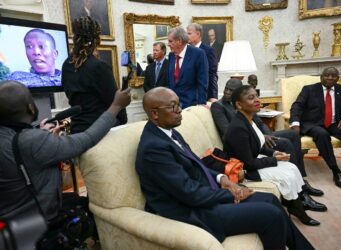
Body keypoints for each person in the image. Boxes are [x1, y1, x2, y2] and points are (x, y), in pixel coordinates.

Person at [136, 87, 314, 249]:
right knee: (270, 215)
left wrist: (223, 179)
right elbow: (188, 192)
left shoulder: (169, 131)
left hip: (204, 195)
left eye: (179, 104)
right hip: (190, 210)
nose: (179, 110)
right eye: (172, 107)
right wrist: (232, 193)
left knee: (270, 200)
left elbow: (197, 166)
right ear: (155, 114)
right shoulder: (154, 148)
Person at [0, 80, 131, 221]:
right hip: (37, 221)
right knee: (90, 210)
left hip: (9, 219)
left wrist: (38, 132)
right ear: (31, 108)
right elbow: (87, 138)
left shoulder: (18, 137)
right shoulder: (33, 141)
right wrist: (116, 105)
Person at [211, 79, 326, 212]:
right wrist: (260, 138)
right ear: (239, 103)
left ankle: (302, 182)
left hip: (260, 136)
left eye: (231, 90)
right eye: (226, 88)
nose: (227, 92)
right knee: (286, 143)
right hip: (245, 141)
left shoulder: (249, 104)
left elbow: (259, 123)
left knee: (293, 135)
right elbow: (227, 131)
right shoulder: (219, 106)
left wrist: (267, 135)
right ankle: (302, 195)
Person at [62, 16, 128, 134]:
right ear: (97, 40)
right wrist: (123, 120)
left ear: (75, 37)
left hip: (77, 131)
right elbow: (114, 101)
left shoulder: (66, 65)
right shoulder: (99, 66)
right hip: (100, 131)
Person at [290, 66, 341, 189]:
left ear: (338, 78)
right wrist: (295, 123)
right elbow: (297, 106)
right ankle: (336, 171)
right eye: (327, 75)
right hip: (313, 123)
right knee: (322, 134)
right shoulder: (309, 89)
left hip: (334, 123)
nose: (330, 78)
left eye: (333, 76)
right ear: (321, 77)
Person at [167, 27, 208, 109]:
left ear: (179, 41)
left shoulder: (198, 54)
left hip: (191, 104)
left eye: (170, 41)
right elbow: (170, 80)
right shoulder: (171, 55)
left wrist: (201, 104)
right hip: (173, 105)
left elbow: (203, 81)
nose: (168, 44)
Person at [187, 23, 218, 102]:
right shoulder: (185, 51)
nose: (187, 36)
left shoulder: (208, 50)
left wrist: (213, 95)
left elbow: (212, 74)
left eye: (189, 33)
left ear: (198, 34)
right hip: (188, 96)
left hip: (203, 95)